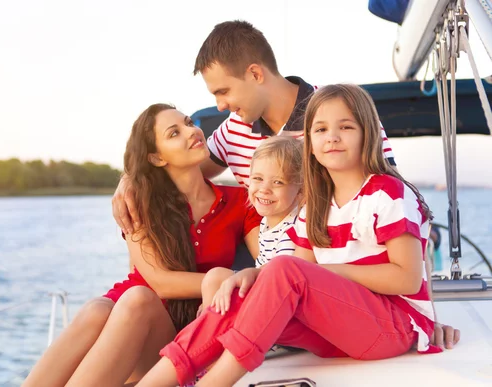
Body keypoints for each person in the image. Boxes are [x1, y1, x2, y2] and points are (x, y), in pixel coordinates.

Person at [112, 19, 459, 350]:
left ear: (255, 74)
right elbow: (176, 168)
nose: (220, 105)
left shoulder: (337, 118)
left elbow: (405, 218)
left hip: (334, 294)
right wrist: (130, 180)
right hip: (267, 291)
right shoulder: (234, 130)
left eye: (224, 91)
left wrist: (424, 316)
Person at [135, 84, 444, 387]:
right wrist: (254, 276)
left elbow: (407, 279)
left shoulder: (387, 192)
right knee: (238, 297)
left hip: (395, 327)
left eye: (346, 127)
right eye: (320, 129)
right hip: (336, 332)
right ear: (308, 140)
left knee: (283, 270)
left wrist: (316, 272)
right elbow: (299, 279)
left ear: (368, 133)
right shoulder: (315, 204)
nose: (332, 137)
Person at [22, 104, 261, 387]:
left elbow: (267, 259)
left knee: (138, 299)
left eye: (187, 123)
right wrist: (219, 280)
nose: (192, 131)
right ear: (157, 158)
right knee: (98, 309)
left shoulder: (240, 201)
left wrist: (232, 282)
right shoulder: (139, 201)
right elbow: (160, 283)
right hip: (130, 311)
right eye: (174, 133)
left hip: (173, 327)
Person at [201, 135, 303, 312]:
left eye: (278, 182)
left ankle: (209, 328)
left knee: (216, 277)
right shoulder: (265, 223)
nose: (264, 189)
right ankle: (209, 326)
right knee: (215, 278)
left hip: (281, 301)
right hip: (266, 291)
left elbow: (280, 273)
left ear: (301, 191)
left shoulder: (295, 226)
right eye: (257, 179)